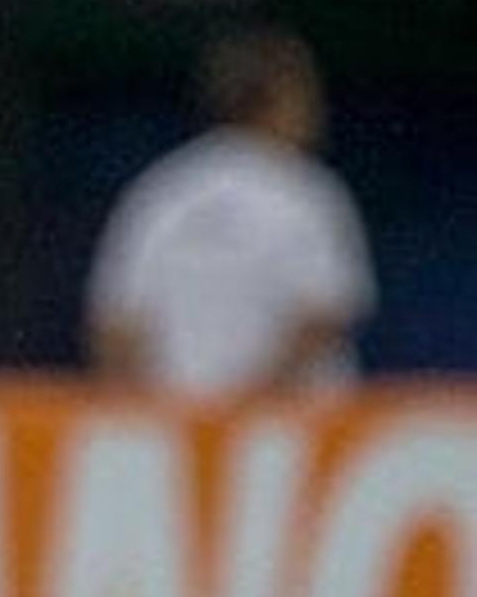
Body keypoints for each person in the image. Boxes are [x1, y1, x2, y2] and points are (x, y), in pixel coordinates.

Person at [86, 28, 375, 400]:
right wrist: (245, 410)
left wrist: (162, 422)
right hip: (290, 432)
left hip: (186, 430)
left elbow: (115, 330)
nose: (316, 109)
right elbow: (323, 318)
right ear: (277, 99)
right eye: (305, 93)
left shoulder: (162, 192)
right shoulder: (304, 191)